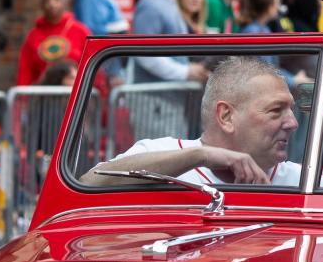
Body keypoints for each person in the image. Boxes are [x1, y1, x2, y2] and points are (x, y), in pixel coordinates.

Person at [82, 56, 302, 186]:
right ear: (226, 116)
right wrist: (200, 155)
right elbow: (90, 183)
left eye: (290, 110)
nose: (293, 123)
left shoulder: (300, 181)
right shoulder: (159, 151)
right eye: (276, 110)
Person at [130, 0, 209, 84]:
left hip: (168, 98)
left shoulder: (170, 2)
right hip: (153, 99)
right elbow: (144, 54)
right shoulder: (151, 5)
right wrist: (185, 72)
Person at [16, 0, 92, 86]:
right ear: (41, 5)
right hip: (44, 98)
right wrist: (21, 99)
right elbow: (25, 72)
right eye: (47, 0)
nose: (51, 4)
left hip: (76, 97)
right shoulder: (33, 36)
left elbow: (93, 67)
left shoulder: (81, 31)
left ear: (65, 2)